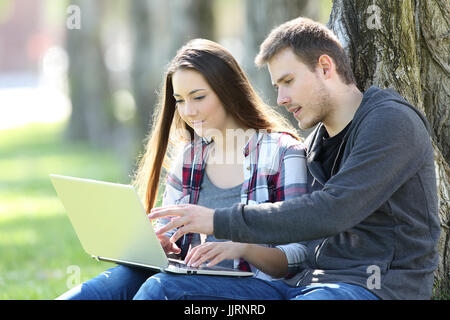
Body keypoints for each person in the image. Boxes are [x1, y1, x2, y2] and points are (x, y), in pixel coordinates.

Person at [148, 17, 441, 300]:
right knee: (165, 289)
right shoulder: (313, 144)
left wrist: (217, 220)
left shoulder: (391, 122)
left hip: (372, 287)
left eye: (288, 81)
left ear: (325, 67)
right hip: (299, 286)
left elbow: (332, 211)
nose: (281, 99)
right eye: (277, 87)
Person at [57, 38, 310, 300]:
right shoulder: (190, 157)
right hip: (191, 280)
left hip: (261, 289)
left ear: (228, 91)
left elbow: (298, 255)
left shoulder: (283, 151)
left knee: (160, 288)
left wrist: (243, 247)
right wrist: (160, 246)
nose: (188, 111)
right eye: (179, 100)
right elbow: (169, 232)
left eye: (198, 97)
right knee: (102, 288)